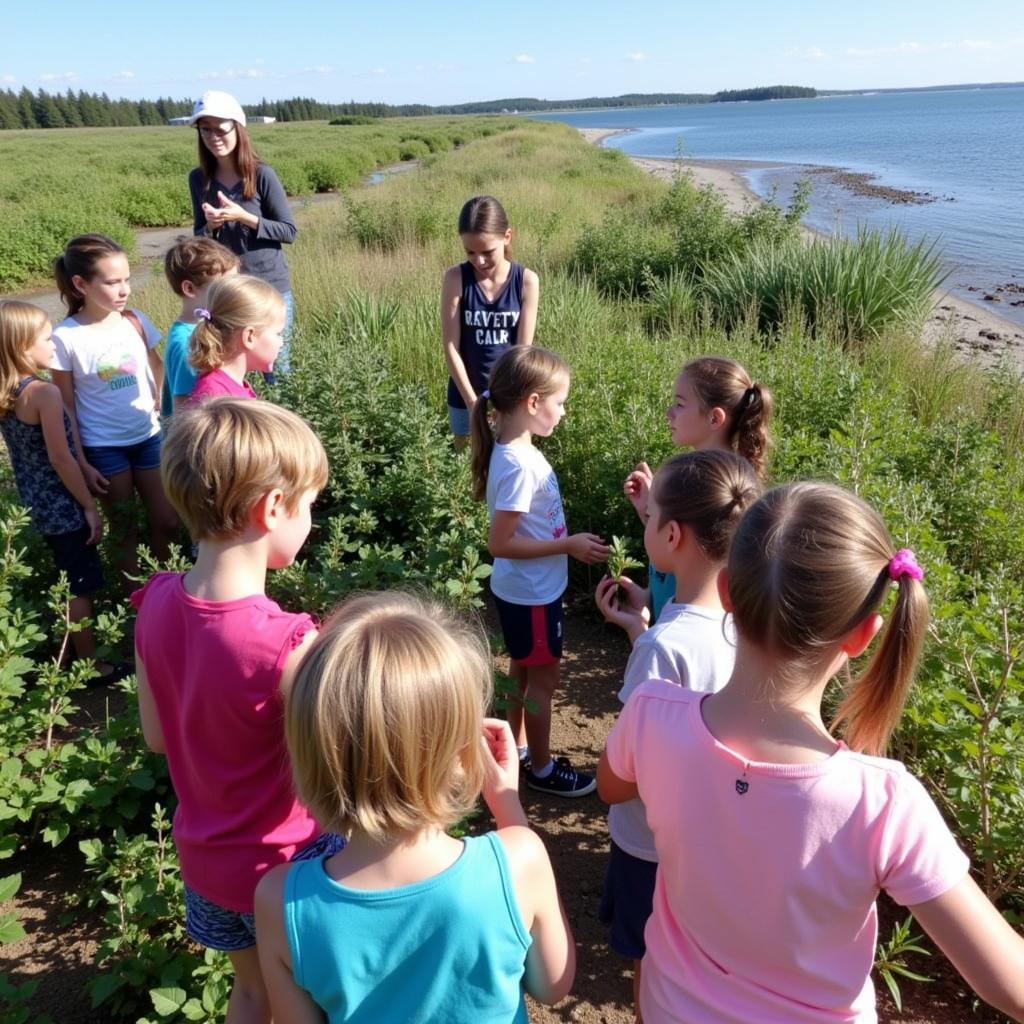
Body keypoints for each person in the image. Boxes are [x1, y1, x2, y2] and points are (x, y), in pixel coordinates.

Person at [598, 483, 1024, 1023]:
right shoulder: (884, 802)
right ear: (864, 634)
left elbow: (612, 787)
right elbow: (1010, 983)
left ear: (726, 591)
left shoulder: (651, 713)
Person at [254, 591, 576, 1023]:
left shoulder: (282, 902)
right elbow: (552, 986)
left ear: (310, 753)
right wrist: (510, 810)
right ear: (465, 753)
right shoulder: (518, 862)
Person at [132, 398, 334, 1023]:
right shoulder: (291, 643)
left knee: (250, 995)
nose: (310, 521)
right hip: (289, 866)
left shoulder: (156, 601)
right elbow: (333, 778)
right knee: (309, 1000)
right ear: (271, 507)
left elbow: (157, 739)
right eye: (308, 506)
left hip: (207, 863)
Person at [593, 450, 761, 1015]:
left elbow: (623, 776)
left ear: (670, 534)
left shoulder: (664, 649)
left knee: (650, 963)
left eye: (651, 515)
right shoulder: (749, 631)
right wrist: (639, 626)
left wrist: (646, 640)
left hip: (649, 845)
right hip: (713, 841)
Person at [471, 345, 608, 797]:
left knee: (522, 673)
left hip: (525, 590)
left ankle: (514, 747)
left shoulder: (513, 450)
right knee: (544, 681)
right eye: (560, 402)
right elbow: (500, 543)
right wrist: (567, 545)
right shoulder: (517, 464)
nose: (563, 411)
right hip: (532, 594)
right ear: (533, 403)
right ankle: (543, 770)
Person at [0, 301, 128, 683]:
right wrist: (89, 505)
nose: (53, 344)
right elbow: (60, 458)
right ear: (23, 349)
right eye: (45, 339)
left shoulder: (11, 392)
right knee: (80, 584)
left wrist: (83, 465)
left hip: (36, 502)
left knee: (67, 576)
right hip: (63, 503)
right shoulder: (45, 394)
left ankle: (70, 653)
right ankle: (90, 667)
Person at [51, 233, 179, 584]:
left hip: (148, 436)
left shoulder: (134, 321)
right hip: (104, 449)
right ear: (80, 284)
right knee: (125, 529)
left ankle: (164, 588)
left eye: (126, 279)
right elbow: (66, 407)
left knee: (167, 520)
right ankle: (135, 600)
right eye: (112, 282)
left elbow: (157, 366)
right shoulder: (65, 337)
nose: (124, 290)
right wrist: (81, 462)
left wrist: (158, 400)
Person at [622, 356, 772, 627]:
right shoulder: (695, 474)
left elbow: (699, 563)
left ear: (715, 418)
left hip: (689, 628)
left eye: (679, 404)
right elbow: (682, 544)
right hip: (672, 616)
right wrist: (651, 509)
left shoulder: (724, 490)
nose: (669, 412)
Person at [187, 90, 296, 382]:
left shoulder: (262, 175)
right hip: (228, 292)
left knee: (277, 372)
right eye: (205, 129)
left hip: (271, 290)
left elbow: (289, 231)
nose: (213, 137)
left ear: (237, 128)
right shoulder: (198, 179)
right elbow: (199, 238)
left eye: (221, 129)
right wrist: (210, 227)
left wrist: (243, 217)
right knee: (233, 372)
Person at [442, 195, 539, 449]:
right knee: (464, 465)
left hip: (508, 397)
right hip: (463, 393)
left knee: (505, 464)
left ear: (507, 236)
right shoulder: (455, 278)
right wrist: (473, 403)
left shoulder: (526, 281)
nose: (479, 260)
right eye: (470, 252)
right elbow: (451, 347)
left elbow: (522, 352)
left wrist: (505, 405)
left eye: (487, 252)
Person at [161, 237, 239, 419]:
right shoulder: (186, 343)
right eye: (224, 287)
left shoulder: (209, 327)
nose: (234, 292)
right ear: (189, 288)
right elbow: (183, 413)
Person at [187, 276, 286, 402]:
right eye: (278, 334)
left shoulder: (231, 384)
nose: (282, 342)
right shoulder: (216, 398)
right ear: (249, 337)